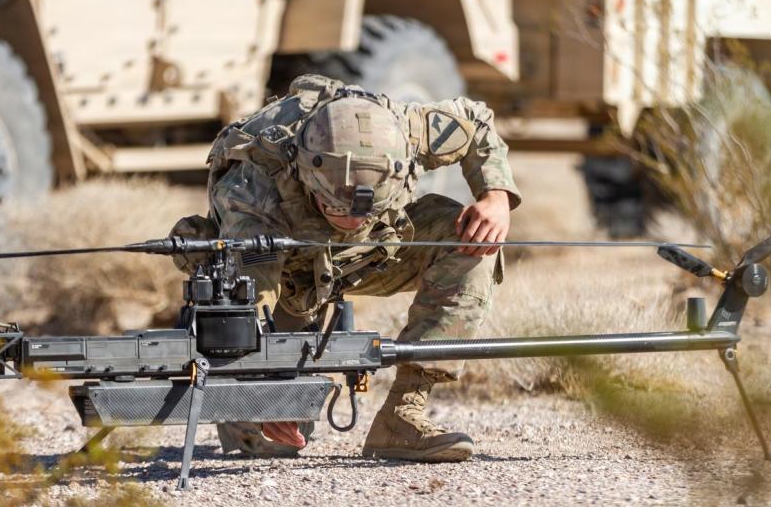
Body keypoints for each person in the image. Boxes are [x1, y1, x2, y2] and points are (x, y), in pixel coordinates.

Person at [170, 74, 521, 462]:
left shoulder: (405, 131)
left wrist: (495, 197)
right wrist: (260, 389)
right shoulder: (254, 198)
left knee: (473, 241)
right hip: (288, 274)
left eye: (364, 211)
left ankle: (402, 417)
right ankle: (247, 414)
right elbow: (248, 305)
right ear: (308, 174)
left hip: (372, 250)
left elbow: (476, 121)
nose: (352, 220)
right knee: (273, 440)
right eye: (336, 209)